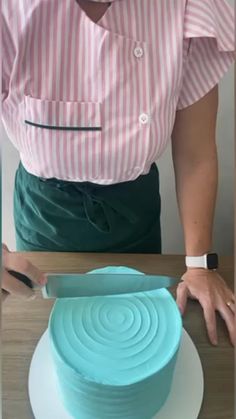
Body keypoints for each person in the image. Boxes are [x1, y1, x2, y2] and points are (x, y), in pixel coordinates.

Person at [2, 0, 235, 345]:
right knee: (53, 343)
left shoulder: (187, 7)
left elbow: (196, 154)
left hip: (134, 215)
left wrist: (200, 264)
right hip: (45, 219)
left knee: (136, 335)